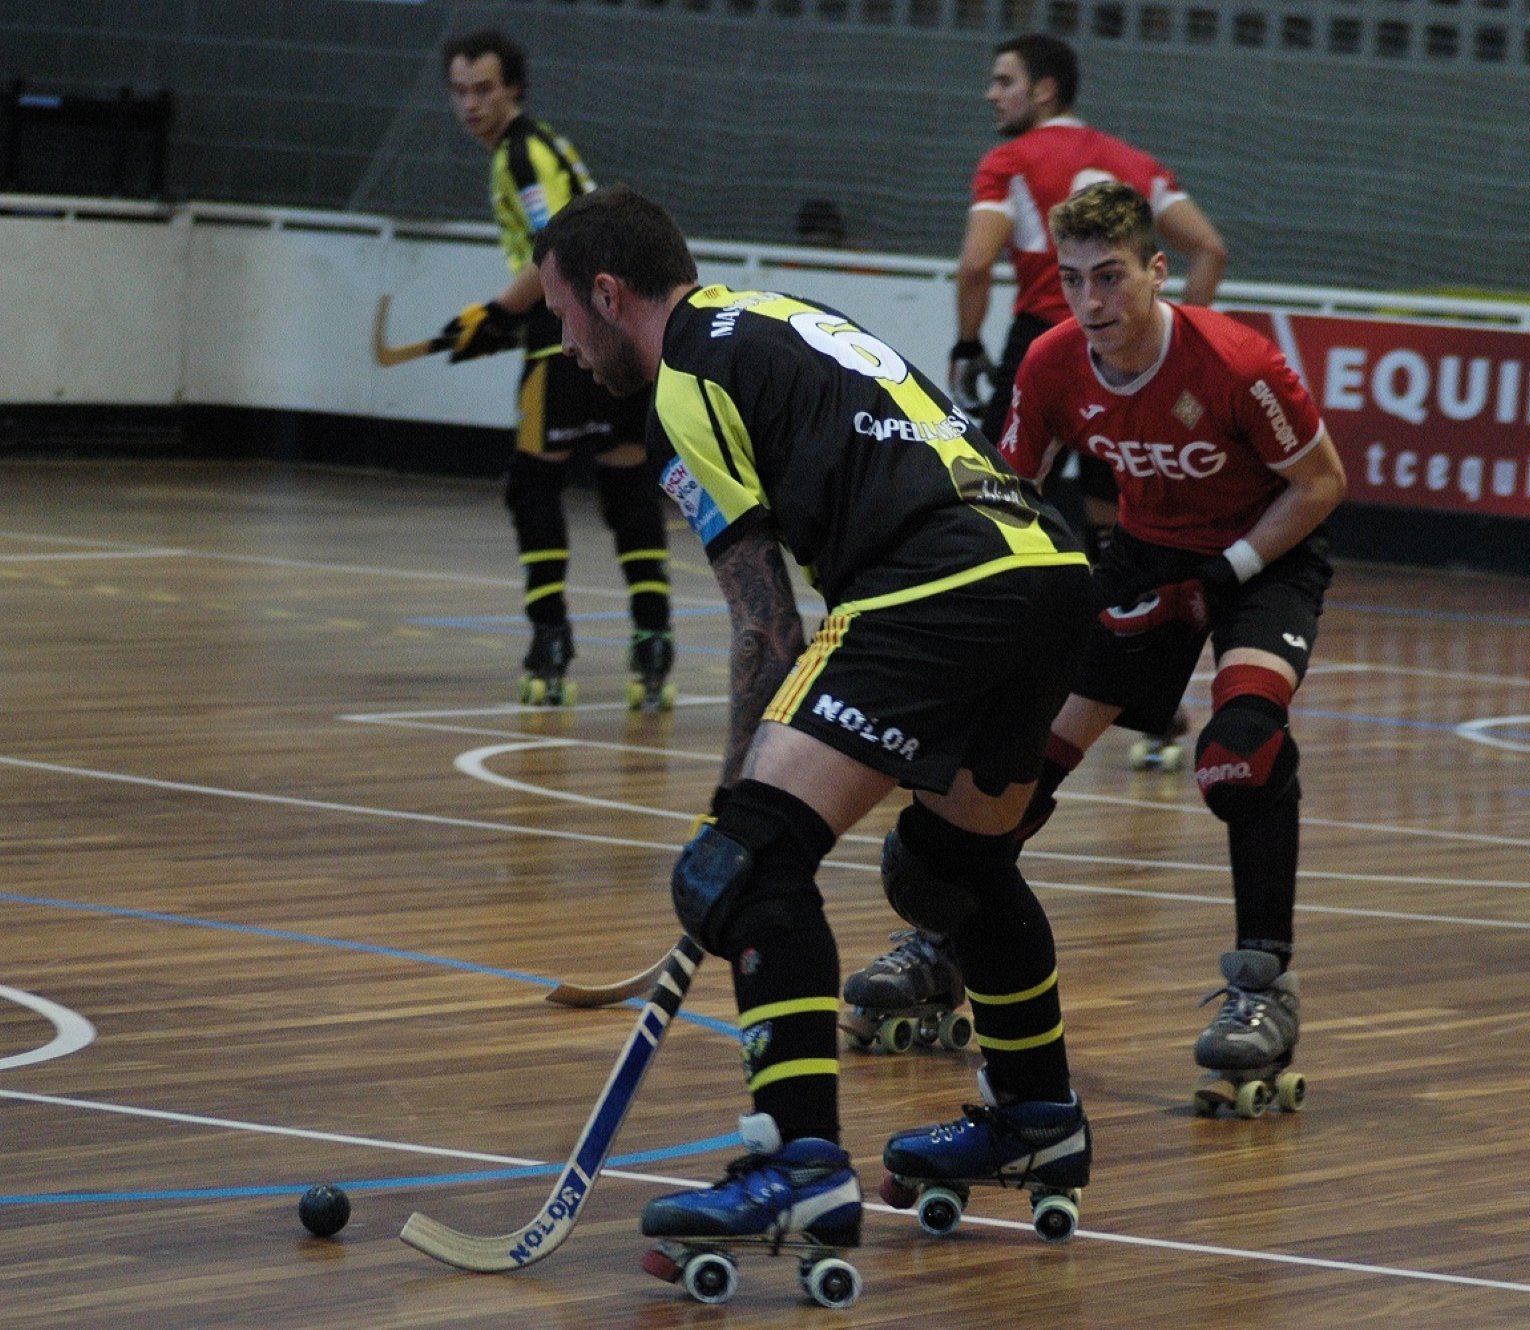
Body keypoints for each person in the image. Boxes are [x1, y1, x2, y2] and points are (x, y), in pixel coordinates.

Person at [531, 185, 1100, 1287]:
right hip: (1047, 571)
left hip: (937, 581)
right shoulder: (767, 315)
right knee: (949, 866)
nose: (564, 343)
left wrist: (733, 816)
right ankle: (1036, 1114)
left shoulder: (682, 389)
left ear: (608, 293)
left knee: (745, 863)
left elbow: (766, 622)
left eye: (564, 315)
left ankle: (799, 1164)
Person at [1005, 180, 1344, 1114]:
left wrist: (1222, 578)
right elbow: (1008, 494)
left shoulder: (1237, 363)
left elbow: (1320, 484)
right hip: (1145, 556)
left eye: (1110, 277)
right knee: (1016, 756)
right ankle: (953, 935)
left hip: (1263, 558)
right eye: (1071, 281)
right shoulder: (1051, 364)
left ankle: (1262, 986)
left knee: (1240, 753)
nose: (1090, 303)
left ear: (1159, 272)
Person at [438, 29, 674, 709]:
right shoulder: (536, 145)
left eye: (484, 89)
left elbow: (554, 250)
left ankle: (550, 641)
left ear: (513, 88)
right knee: (626, 487)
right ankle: (653, 642)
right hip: (620, 338)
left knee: (532, 485)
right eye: (460, 92)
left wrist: (494, 313)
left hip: (566, 341)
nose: (471, 105)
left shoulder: (519, 155)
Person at [950, 32, 1228, 553]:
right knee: (1114, 495)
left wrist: (966, 344)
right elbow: (1211, 249)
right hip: (1127, 347)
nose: (992, 94)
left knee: (1003, 490)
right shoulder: (1136, 163)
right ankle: (1111, 609)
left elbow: (975, 263)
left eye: (1004, 81)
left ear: (1044, 91)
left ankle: (1008, 599)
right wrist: (1177, 341)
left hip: (1047, 340)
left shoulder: (1009, 161)